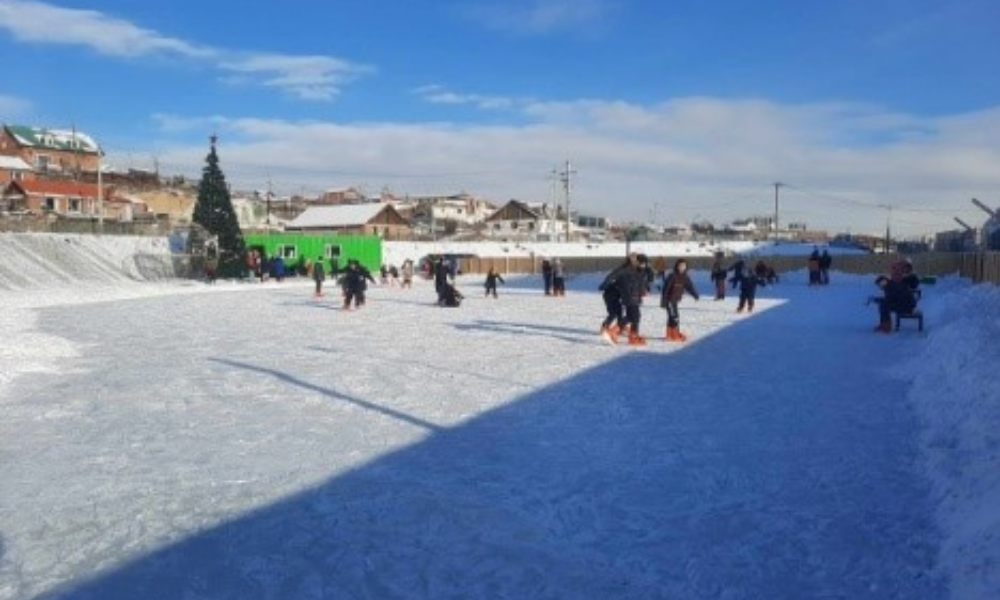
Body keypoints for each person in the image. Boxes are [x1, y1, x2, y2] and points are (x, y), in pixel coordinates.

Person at [660, 258, 700, 341]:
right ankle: (675, 333)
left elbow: (689, 287)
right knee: (675, 317)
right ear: (677, 266)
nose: (682, 267)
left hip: (675, 300)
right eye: (680, 266)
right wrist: (663, 301)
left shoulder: (685, 277)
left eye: (684, 266)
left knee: (672, 317)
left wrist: (695, 295)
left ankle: (670, 334)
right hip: (669, 300)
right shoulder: (672, 276)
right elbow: (666, 289)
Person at [871, 260, 917, 333]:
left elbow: (895, 295)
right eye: (893, 272)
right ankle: (884, 325)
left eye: (896, 272)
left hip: (906, 306)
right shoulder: (892, 283)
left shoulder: (906, 281)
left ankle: (886, 326)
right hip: (903, 304)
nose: (893, 274)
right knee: (883, 304)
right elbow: (891, 296)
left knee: (884, 304)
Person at [617, 253, 651, 345]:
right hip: (631, 297)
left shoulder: (640, 272)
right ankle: (633, 336)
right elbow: (624, 283)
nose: (644, 265)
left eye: (645, 263)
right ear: (637, 263)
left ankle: (618, 328)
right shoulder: (631, 271)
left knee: (631, 316)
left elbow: (641, 284)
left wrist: (644, 290)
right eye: (642, 263)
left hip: (634, 297)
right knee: (636, 317)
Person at [598, 257, 631, 344]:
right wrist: (603, 285)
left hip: (618, 295)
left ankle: (620, 328)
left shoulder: (632, 272)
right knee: (614, 313)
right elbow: (610, 277)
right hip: (610, 294)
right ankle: (604, 327)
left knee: (620, 312)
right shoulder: (623, 270)